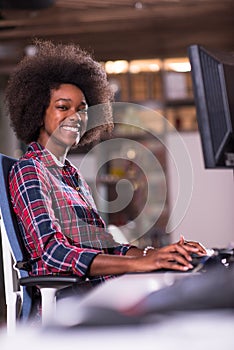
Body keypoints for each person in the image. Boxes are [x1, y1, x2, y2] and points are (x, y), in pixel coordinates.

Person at [5, 40, 207, 294]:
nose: (75, 117)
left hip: (99, 290)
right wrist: (141, 264)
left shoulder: (71, 176)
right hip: (72, 301)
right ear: (37, 111)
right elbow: (52, 253)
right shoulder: (30, 171)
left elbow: (105, 246)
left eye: (82, 109)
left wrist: (158, 254)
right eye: (62, 107)